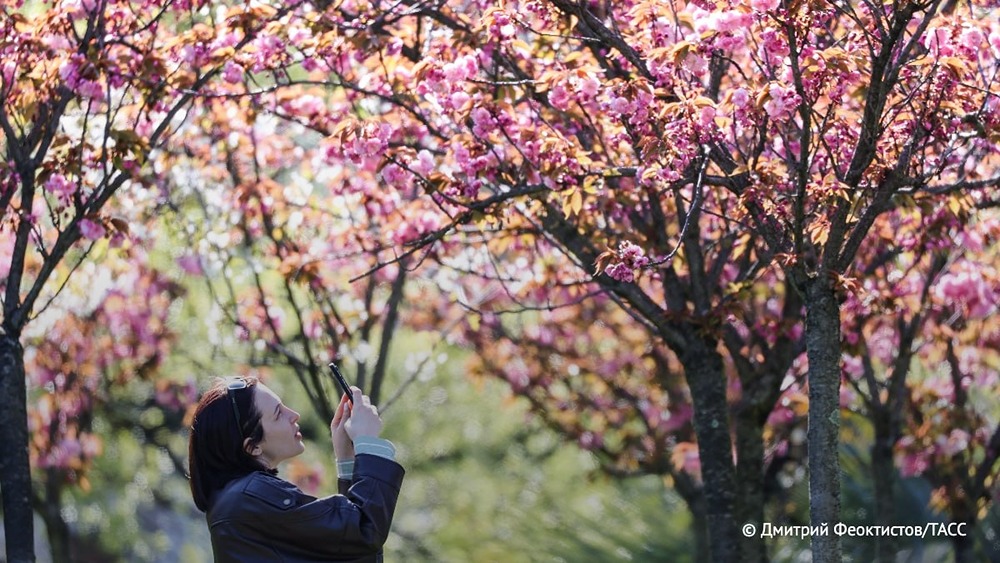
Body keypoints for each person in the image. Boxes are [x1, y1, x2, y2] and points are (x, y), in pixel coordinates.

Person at [188, 375, 404, 562]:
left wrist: (347, 458)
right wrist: (367, 443)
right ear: (252, 446)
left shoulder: (237, 500)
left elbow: (347, 549)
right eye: (278, 413)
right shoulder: (250, 496)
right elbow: (363, 532)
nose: (294, 415)